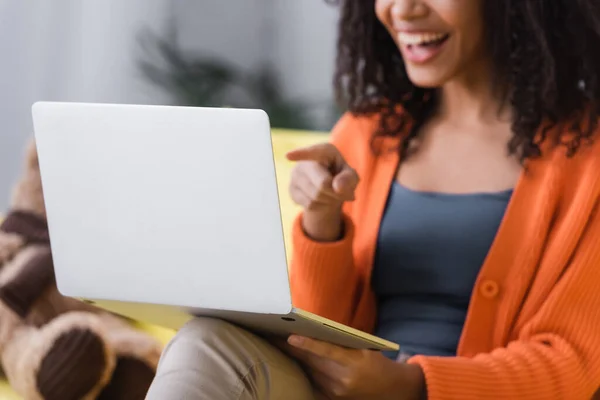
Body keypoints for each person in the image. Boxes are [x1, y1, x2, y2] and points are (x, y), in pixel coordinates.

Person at [146, 0, 600, 399]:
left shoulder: (589, 156)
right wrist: (323, 222)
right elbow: (312, 333)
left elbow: (572, 361)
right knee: (205, 341)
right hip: (336, 391)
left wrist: (410, 386)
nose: (402, 9)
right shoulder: (368, 133)